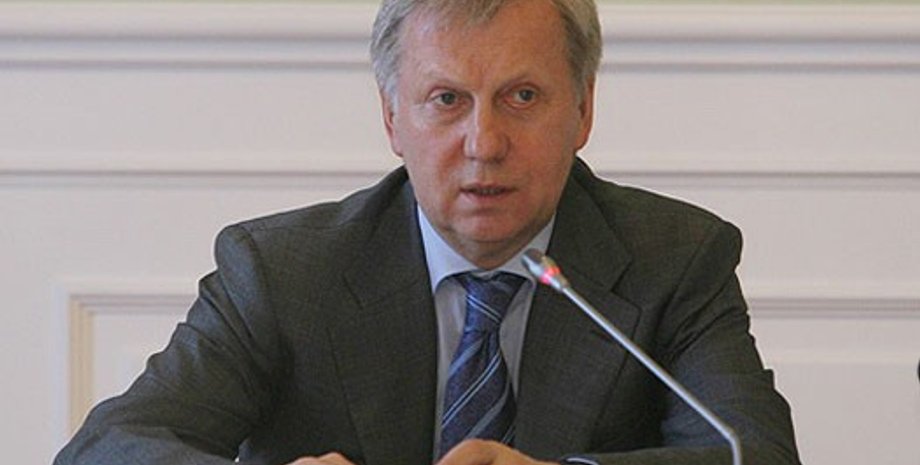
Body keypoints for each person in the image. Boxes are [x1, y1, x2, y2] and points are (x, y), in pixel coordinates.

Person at [54, 1, 801, 464]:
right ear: (392, 119)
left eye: (522, 96)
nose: (484, 143)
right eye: (446, 99)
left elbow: (754, 454)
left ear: (583, 110)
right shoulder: (281, 273)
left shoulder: (676, 260)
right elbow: (105, 449)